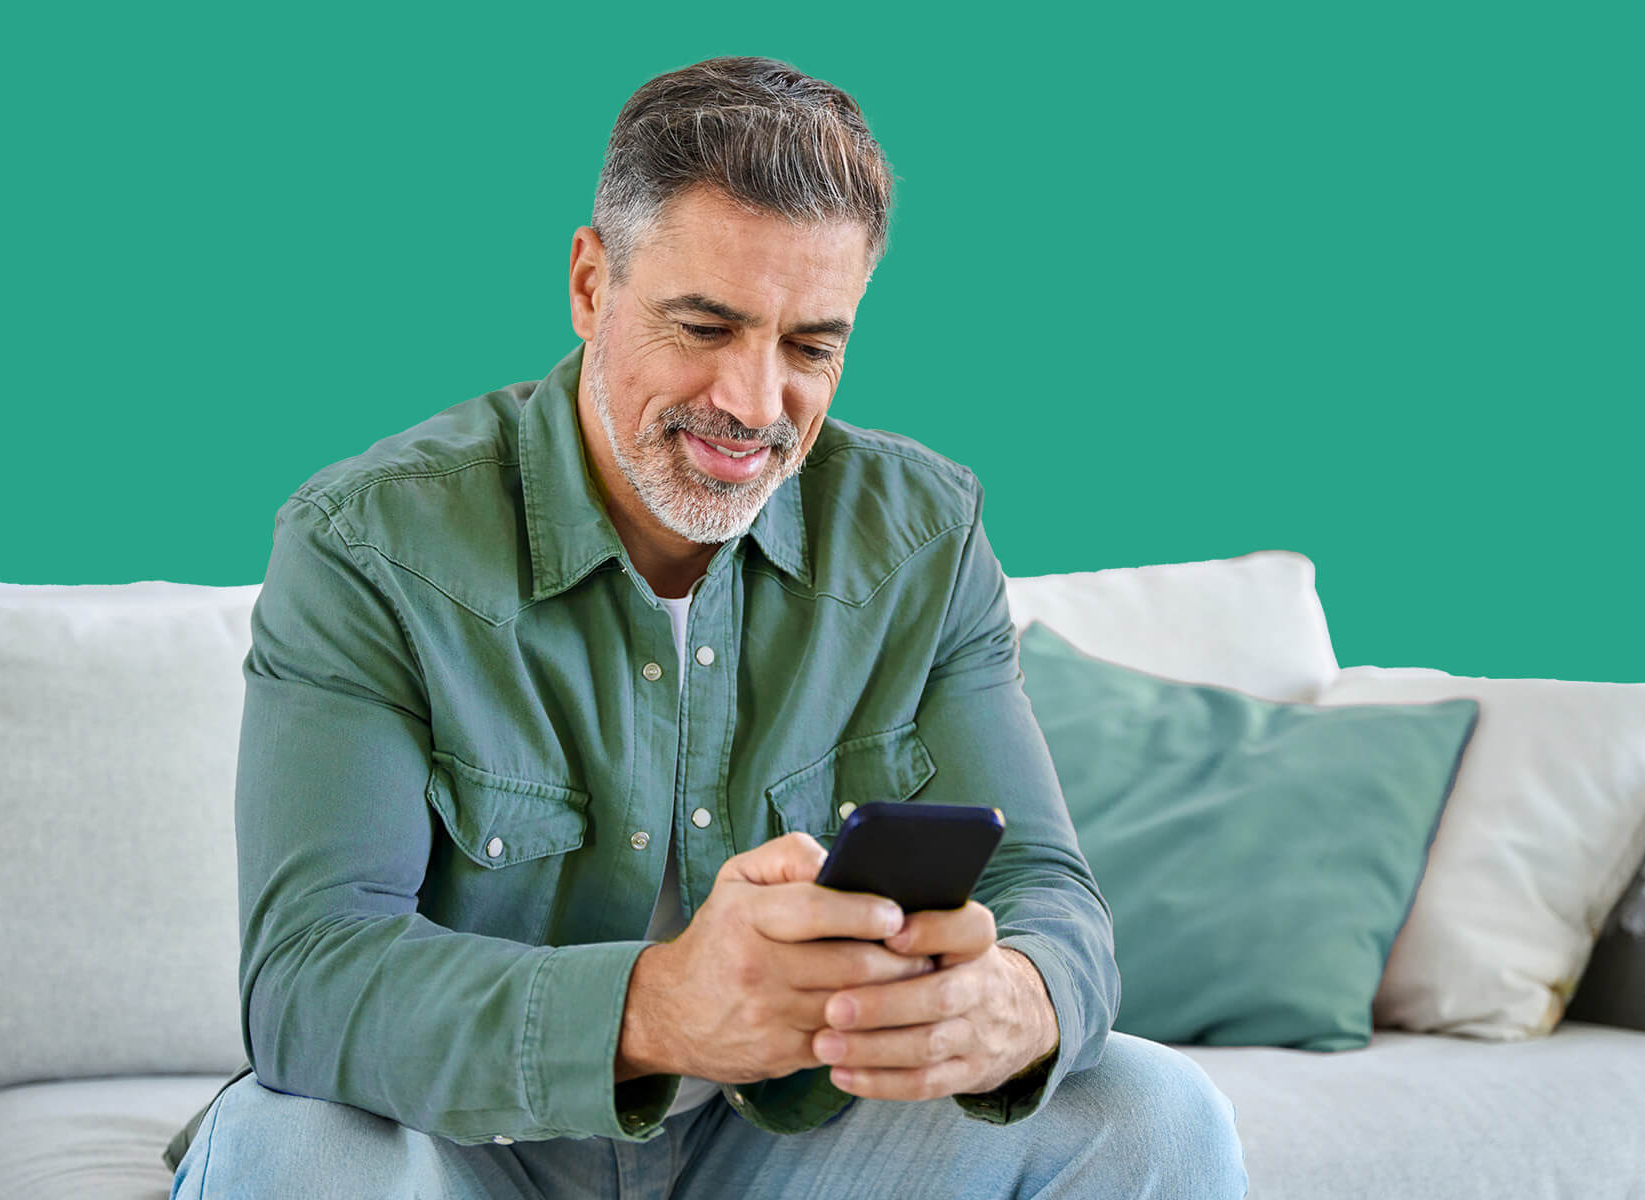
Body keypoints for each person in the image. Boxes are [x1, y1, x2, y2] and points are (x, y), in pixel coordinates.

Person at [165, 54, 1248, 1199]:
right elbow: (309, 977)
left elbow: (1043, 886)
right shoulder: (366, 544)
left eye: (809, 346)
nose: (752, 401)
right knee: (293, 1155)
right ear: (590, 284)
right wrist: (659, 1009)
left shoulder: (924, 537)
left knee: (1152, 1117)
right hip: (468, 1149)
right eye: (704, 325)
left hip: (784, 1146)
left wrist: (1015, 1000)